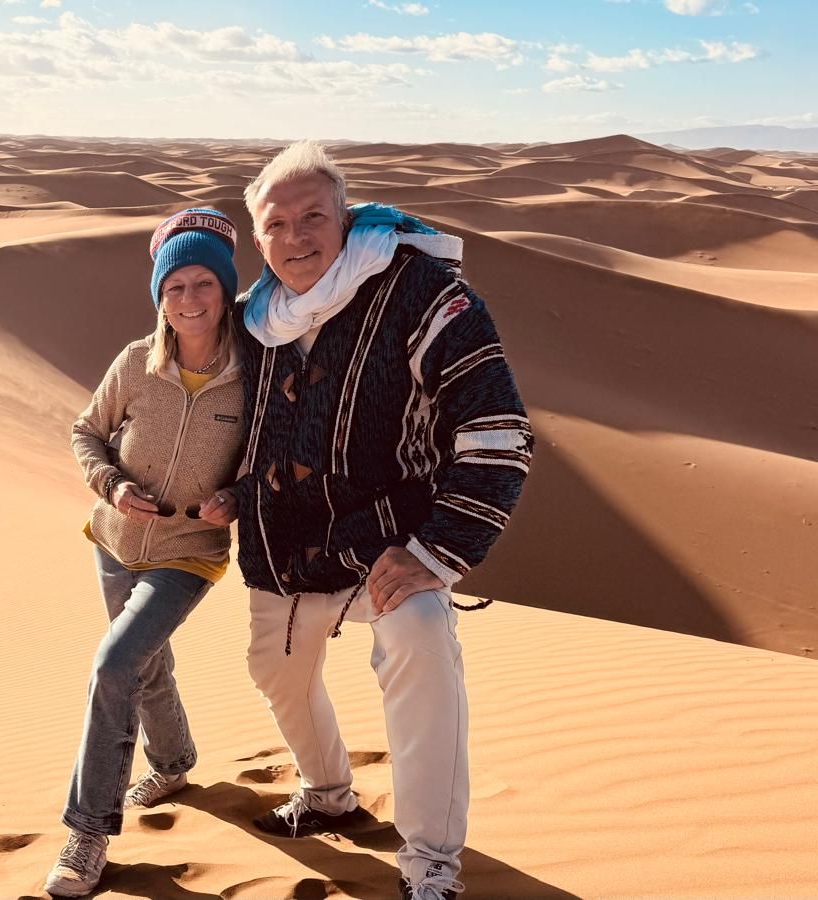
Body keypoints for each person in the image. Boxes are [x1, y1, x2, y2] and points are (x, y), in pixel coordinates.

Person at [231, 141, 533, 900]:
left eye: (314, 218)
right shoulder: (255, 317)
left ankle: (431, 864)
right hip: (287, 545)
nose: (297, 239)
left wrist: (439, 550)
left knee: (422, 643)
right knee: (276, 670)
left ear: (346, 218)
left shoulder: (422, 292)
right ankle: (330, 793)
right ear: (258, 238)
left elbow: (497, 427)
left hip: (396, 539)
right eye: (278, 225)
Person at [43, 208, 248, 898]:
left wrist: (239, 497)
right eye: (175, 288)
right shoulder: (137, 361)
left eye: (203, 286)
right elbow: (86, 431)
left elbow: (274, 461)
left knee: (115, 663)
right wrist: (111, 483)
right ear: (160, 296)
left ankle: (87, 832)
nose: (189, 301)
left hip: (189, 553)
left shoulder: (253, 375)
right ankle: (174, 759)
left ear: (225, 291)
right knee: (145, 664)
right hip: (114, 540)